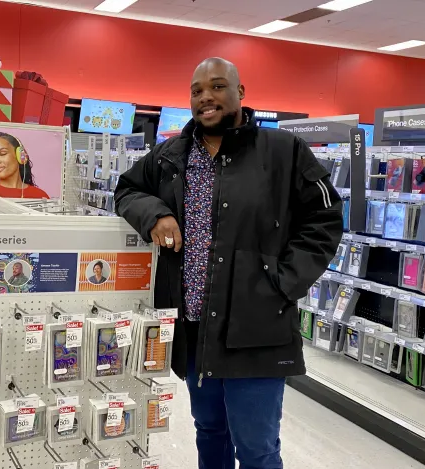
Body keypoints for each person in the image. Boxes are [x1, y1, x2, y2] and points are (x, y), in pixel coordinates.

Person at [114, 57, 342, 469]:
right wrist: (156, 213)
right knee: (210, 433)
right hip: (195, 331)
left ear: (240, 93)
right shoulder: (171, 155)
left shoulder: (283, 151)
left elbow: (325, 219)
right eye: (197, 90)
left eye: (217, 87)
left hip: (256, 329)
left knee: (256, 448)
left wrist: (283, 282)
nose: (206, 97)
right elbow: (126, 189)